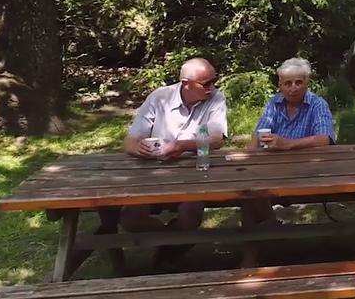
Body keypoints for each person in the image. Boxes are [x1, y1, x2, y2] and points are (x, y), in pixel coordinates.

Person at [121, 58, 228, 265]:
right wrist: (138, 148)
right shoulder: (160, 97)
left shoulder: (216, 98)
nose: (212, 87)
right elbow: (130, 140)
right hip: (152, 173)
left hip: (193, 172)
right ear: (186, 83)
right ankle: (171, 243)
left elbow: (216, 139)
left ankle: (167, 251)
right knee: (130, 218)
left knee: (191, 213)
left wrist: (180, 146)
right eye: (205, 84)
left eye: (214, 81)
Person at [241, 58, 336, 262]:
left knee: (254, 195)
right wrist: (250, 157)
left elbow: (325, 139)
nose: (293, 88)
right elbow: (258, 135)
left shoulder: (317, 104)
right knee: (248, 192)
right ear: (280, 85)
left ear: (307, 83)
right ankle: (261, 238)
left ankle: (259, 243)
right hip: (273, 170)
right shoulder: (273, 103)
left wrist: (288, 144)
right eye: (287, 83)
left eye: (298, 82)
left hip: (307, 173)